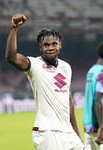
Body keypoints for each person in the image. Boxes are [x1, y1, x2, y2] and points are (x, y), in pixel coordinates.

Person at [5, 13, 84, 150]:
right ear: (41, 47)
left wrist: (76, 134)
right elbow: (11, 58)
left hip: (68, 133)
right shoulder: (34, 65)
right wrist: (13, 29)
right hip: (47, 132)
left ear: (60, 45)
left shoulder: (66, 67)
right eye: (46, 45)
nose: (50, 48)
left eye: (54, 44)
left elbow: (68, 99)